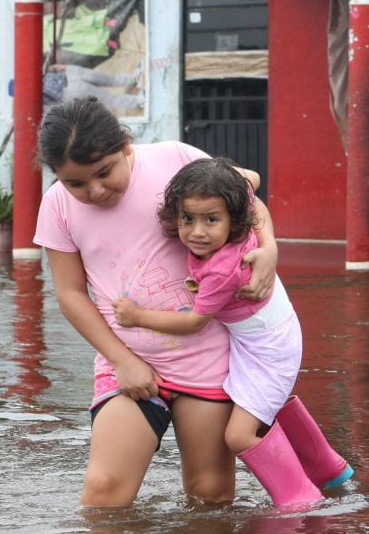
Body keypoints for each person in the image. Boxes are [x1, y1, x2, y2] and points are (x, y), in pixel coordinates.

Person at [34, 98, 274, 508]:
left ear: (126, 145)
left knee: (210, 495)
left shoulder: (175, 160)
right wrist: (122, 361)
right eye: (76, 183)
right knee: (104, 492)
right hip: (126, 362)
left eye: (104, 172)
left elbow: (248, 207)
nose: (94, 191)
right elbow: (71, 294)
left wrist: (270, 250)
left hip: (206, 361)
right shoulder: (57, 205)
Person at [113, 157, 354, 510]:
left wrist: (137, 317)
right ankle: (328, 469)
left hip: (269, 346)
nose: (197, 232)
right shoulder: (231, 198)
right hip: (264, 333)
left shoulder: (224, 269)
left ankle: (301, 499)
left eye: (211, 220)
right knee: (266, 403)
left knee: (238, 435)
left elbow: (196, 322)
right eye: (187, 219)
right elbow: (252, 178)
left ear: (234, 218)